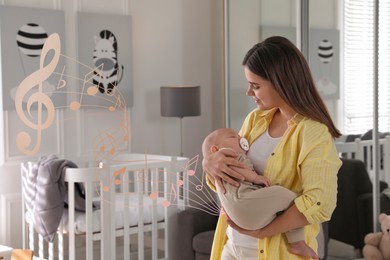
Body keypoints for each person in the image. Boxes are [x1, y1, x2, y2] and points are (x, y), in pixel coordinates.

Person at [203, 36, 342, 260]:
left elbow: (320, 203)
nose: (249, 92)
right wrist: (210, 164)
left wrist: (261, 232)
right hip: (233, 244)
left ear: (282, 82)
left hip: (277, 252)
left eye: (256, 86)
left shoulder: (313, 133)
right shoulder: (255, 120)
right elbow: (233, 178)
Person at [202, 127, 318, 258]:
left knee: (285, 207)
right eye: (233, 137)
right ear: (215, 150)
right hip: (243, 206)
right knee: (289, 198)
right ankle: (297, 241)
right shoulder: (227, 157)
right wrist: (255, 178)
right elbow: (239, 170)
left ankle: (296, 240)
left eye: (240, 137)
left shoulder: (218, 168)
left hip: (242, 217)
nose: (241, 139)